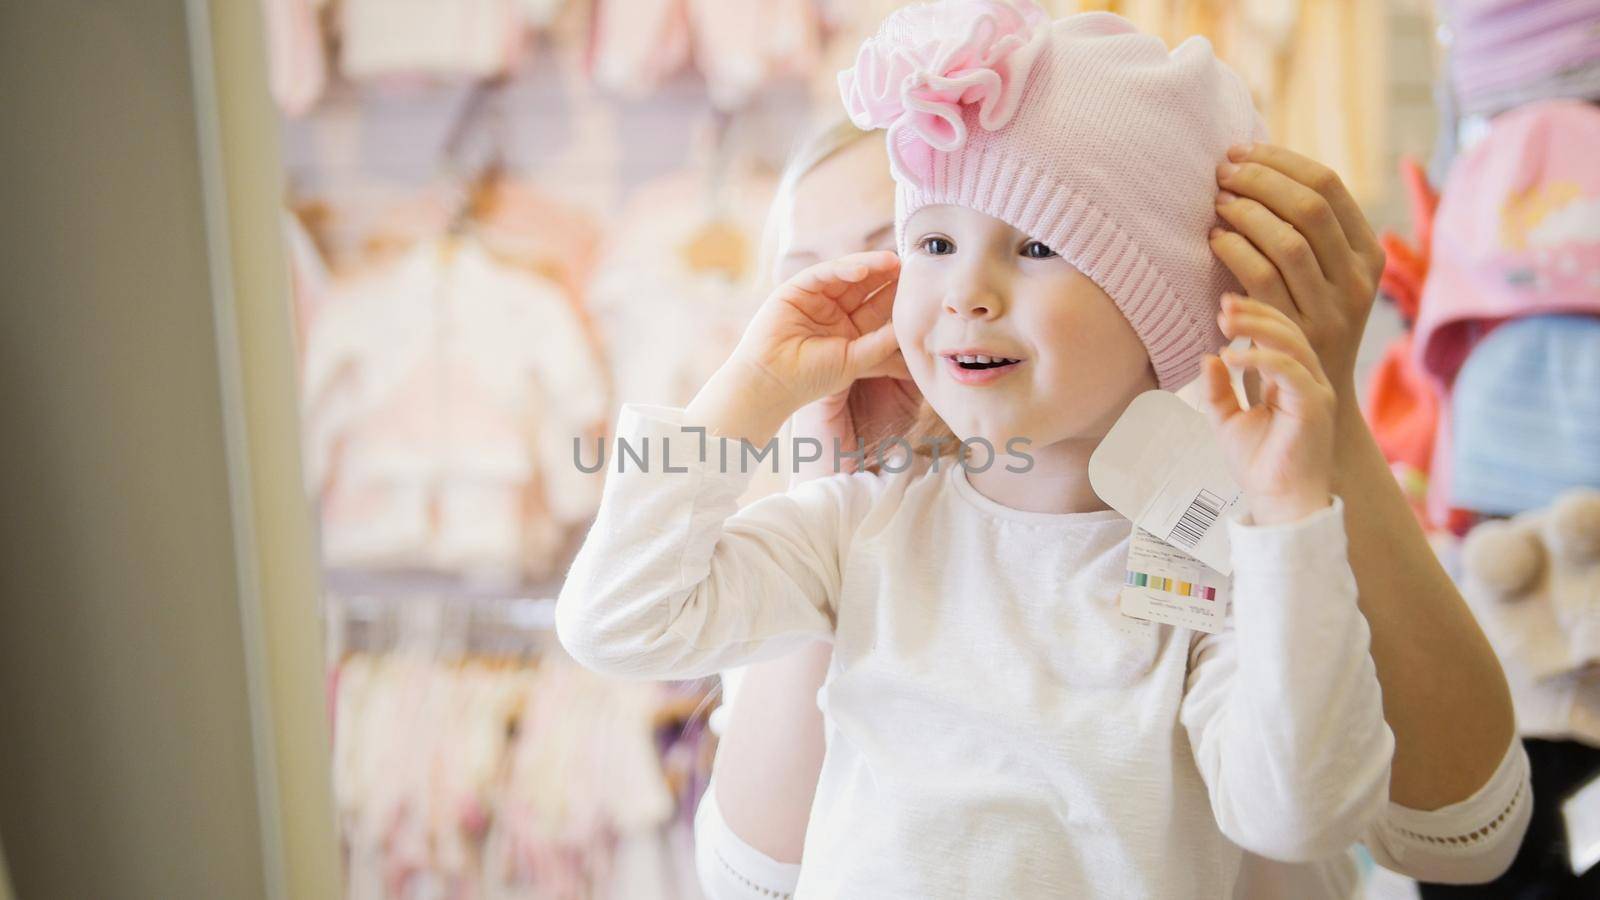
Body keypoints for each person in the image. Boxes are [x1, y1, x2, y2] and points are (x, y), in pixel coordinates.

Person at [557, 4, 1523, 896]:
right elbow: (615, 623)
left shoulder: (1215, 555)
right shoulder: (852, 531)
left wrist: (1290, 529)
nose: (962, 293)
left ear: (1161, 307)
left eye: (1033, 247)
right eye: (929, 244)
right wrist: (746, 394)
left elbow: (1304, 809)